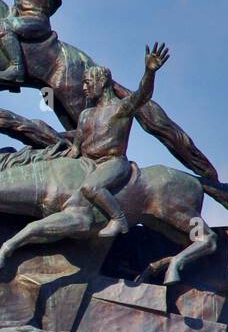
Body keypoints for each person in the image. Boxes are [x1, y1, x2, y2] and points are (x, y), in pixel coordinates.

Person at [66, 43, 171, 237]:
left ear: (102, 82)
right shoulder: (85, 115)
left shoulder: (121, 108)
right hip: (88, 164)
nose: (84, 88)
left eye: (88, 82)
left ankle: (118, 219)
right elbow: (75, 150)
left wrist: (149, 73)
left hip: (113, 163)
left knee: (91, 187)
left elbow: (142, 96)